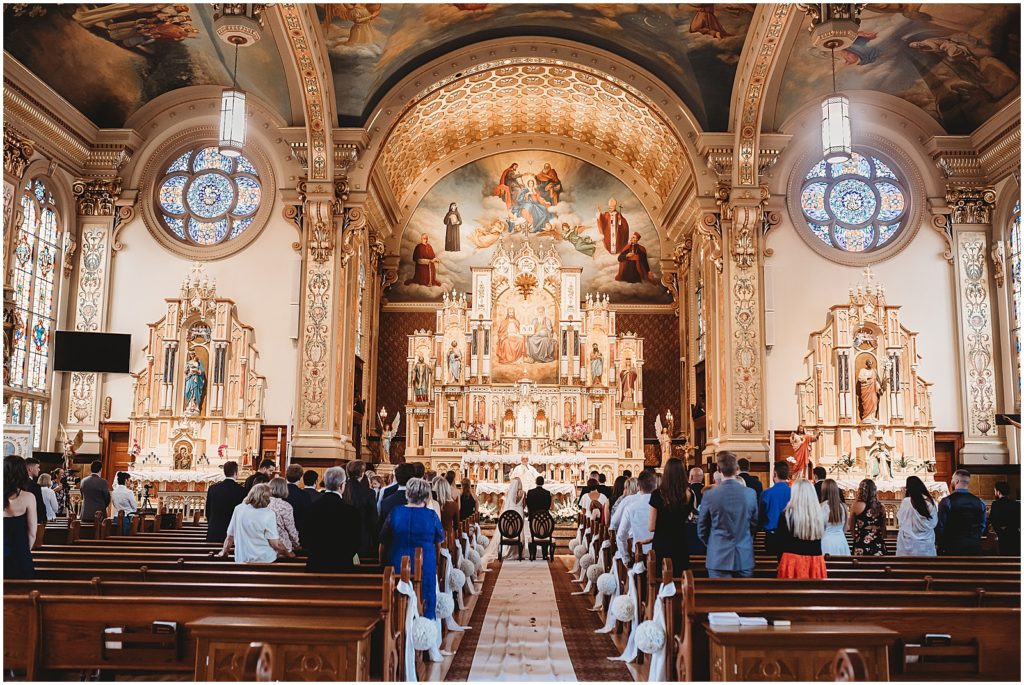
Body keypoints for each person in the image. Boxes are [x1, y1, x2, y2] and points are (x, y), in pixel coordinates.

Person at [381, 478, 445, 628]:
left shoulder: (395, 512)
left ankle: (398, 628)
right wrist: (437, 563)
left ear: (408, 493)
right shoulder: (431, 515)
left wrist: (382, 563)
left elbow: (383, 541)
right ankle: (425, 633)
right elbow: (439, 541)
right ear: (425, 496)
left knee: (398, 598)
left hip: (397, 561)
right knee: (425, 596)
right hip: (425, 563)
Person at [698, 452, 758, 578]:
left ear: (718, 470)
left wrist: (714, 543)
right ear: (737, 469)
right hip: (744, 556)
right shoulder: (750, 494)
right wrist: (745, 538)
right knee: (745, 597)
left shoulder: (710, 495)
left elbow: (702, 528)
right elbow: (754, 523)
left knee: (718, 597)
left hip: (718, 557)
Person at [643, 457, 696, 573]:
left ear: (666, 474)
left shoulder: (657, 494)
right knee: (680, 579)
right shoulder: (689, 494)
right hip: (680, 542)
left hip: (662, 543)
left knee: (662, 581)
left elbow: (651, 527)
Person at [217, 484, 293, 563]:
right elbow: (275, 544)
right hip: (265, 560)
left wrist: (224, 551)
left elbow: (229, 537)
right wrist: (288, 553)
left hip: (242, 559)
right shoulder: (269, 513)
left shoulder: (238, 509)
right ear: (266, 498)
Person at [306, 467, 361, 572]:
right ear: (341, 486)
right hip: (342, 565)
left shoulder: (311, 508)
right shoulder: (351, 512)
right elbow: (356, 542)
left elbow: (306, 536)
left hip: (316, 565)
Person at [776, 479, 827, 579]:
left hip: (791, 560)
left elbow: (780, 542)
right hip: (814, 560)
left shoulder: (786, 515)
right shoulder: (818, 515)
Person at [936, 469, 986, 555]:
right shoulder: (980, 502)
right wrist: (974, 538)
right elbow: (982, 525)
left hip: (951, 546)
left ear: (957, 481)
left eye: (952, 479)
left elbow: (940, 526)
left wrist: (939, 544)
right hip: (973, 545)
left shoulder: (947, 501)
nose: (951, 481)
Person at [4, 455, 37, 579]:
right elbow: (32, 532)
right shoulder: (28, 497)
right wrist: (24, 552)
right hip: (20, 555)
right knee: (22, 593)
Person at [617, 470, 657, 559]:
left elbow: (620, 536)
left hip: (639, 554)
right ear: (655, 486)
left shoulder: (631, 507)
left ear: (638, 487)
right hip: (660, 554)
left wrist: (626, 558)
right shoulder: (663, 505)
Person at [896, 475, 938, 556]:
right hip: (926, 543)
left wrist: (903, 497)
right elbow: (933, 523)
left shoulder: (906, 501)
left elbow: (901, 519)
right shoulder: (930, 501)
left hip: (908, 543)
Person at [345, 460, 379, 556]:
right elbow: (373, 520)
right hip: (362, 536)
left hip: (343, 537)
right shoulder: (369, 493)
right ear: (362, 473)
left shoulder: (342, 489)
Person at [205, 461, 246, 543]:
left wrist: (212, 523)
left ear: (224, 472)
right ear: (235, 472)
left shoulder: (213, 489)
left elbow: (208, 511)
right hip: (233, 532)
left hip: (215, 530)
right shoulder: (242, 491)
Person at [759, 461, 792, 557]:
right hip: (790, 536)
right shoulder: (794, 492)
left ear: (775, 474)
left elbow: (761, 514)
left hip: (772, 535)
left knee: (771, 566)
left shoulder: (767, 493)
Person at [849, 478, 888, 556]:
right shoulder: (881, 506)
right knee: (878, 567)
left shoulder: (856, 505)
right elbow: (883, 529)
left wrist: (857, 537)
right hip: (877, 540)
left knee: (860, 567)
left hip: (861, 540)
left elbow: (851, 527)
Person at [267, 477, 301, 553]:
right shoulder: (285, 506)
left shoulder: (263, 503)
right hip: (282, 547)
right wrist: (297, 544)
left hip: (264, 545)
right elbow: (290, 529)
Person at [819, 478, 850, 556]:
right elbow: (845, 528)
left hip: (826, 542)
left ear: (824, 491)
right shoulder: (843, 506)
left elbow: (819, 528)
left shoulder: (822, 507)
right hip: (841, 541)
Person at [988, 482, 1020, 556]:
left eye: (995, 491)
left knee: (1003, 556)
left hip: (1002, 537)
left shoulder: (995, 504)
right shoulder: (1017, 504)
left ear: (998, 492)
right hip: (1015, 535)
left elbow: (993, 520)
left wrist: (1001, 530)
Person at [432, 476, 460, 553]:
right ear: (448, 489)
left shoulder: (432, 504)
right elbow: (456, 525)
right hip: (448, 540)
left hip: (433, 540)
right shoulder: (453, 505)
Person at [284, 463, 311, 542]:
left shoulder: (280, 492)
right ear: (300, 477)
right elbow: (307, 515)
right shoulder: (304, 495)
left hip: (281, 533)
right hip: (299, 531)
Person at [23, 457, 47, 525]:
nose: (39, 469)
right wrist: (43, 521)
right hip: (31, 522)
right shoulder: (34, 486)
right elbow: (40, 506)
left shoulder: (16, 483)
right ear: (30, 469)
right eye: (37, 467)